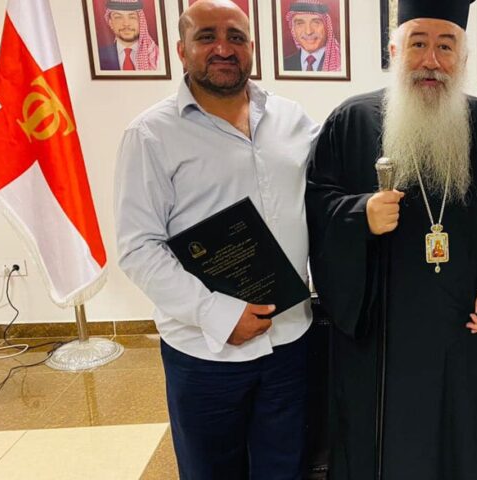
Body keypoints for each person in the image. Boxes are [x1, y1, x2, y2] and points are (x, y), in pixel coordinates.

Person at [305, 0, 477, 477]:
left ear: (463, 58)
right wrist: (360, 215)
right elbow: (317, 212)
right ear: (394, 52)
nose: (431, 60)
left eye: (445, 47)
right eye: (418, 44)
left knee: (463, 448)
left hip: (464, 340)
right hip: (382, 343)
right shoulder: (351, 122)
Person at [113, 1, 318, 478]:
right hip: (206, 353)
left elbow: (329, 194)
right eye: (207, 37)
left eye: (235, 37)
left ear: (252, 47)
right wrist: (218, 315)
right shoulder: (150, 135)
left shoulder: (292, 120)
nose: (223, 48)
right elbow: (138, 247)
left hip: (290, 340)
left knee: (286, 468)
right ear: (181, 50)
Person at [98, 0, 160, 71]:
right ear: (110, 23)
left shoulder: (157, 56)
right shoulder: (98, 56)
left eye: (132, 17)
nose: (126, 23)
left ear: (141, 21)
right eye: (118, 17)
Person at [283, 0, 341, 71]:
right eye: (300, 23)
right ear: (293, 29)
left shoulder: (341, 64)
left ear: (327, 27)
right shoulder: (283, 65)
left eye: (316, 23)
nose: (308, 32)